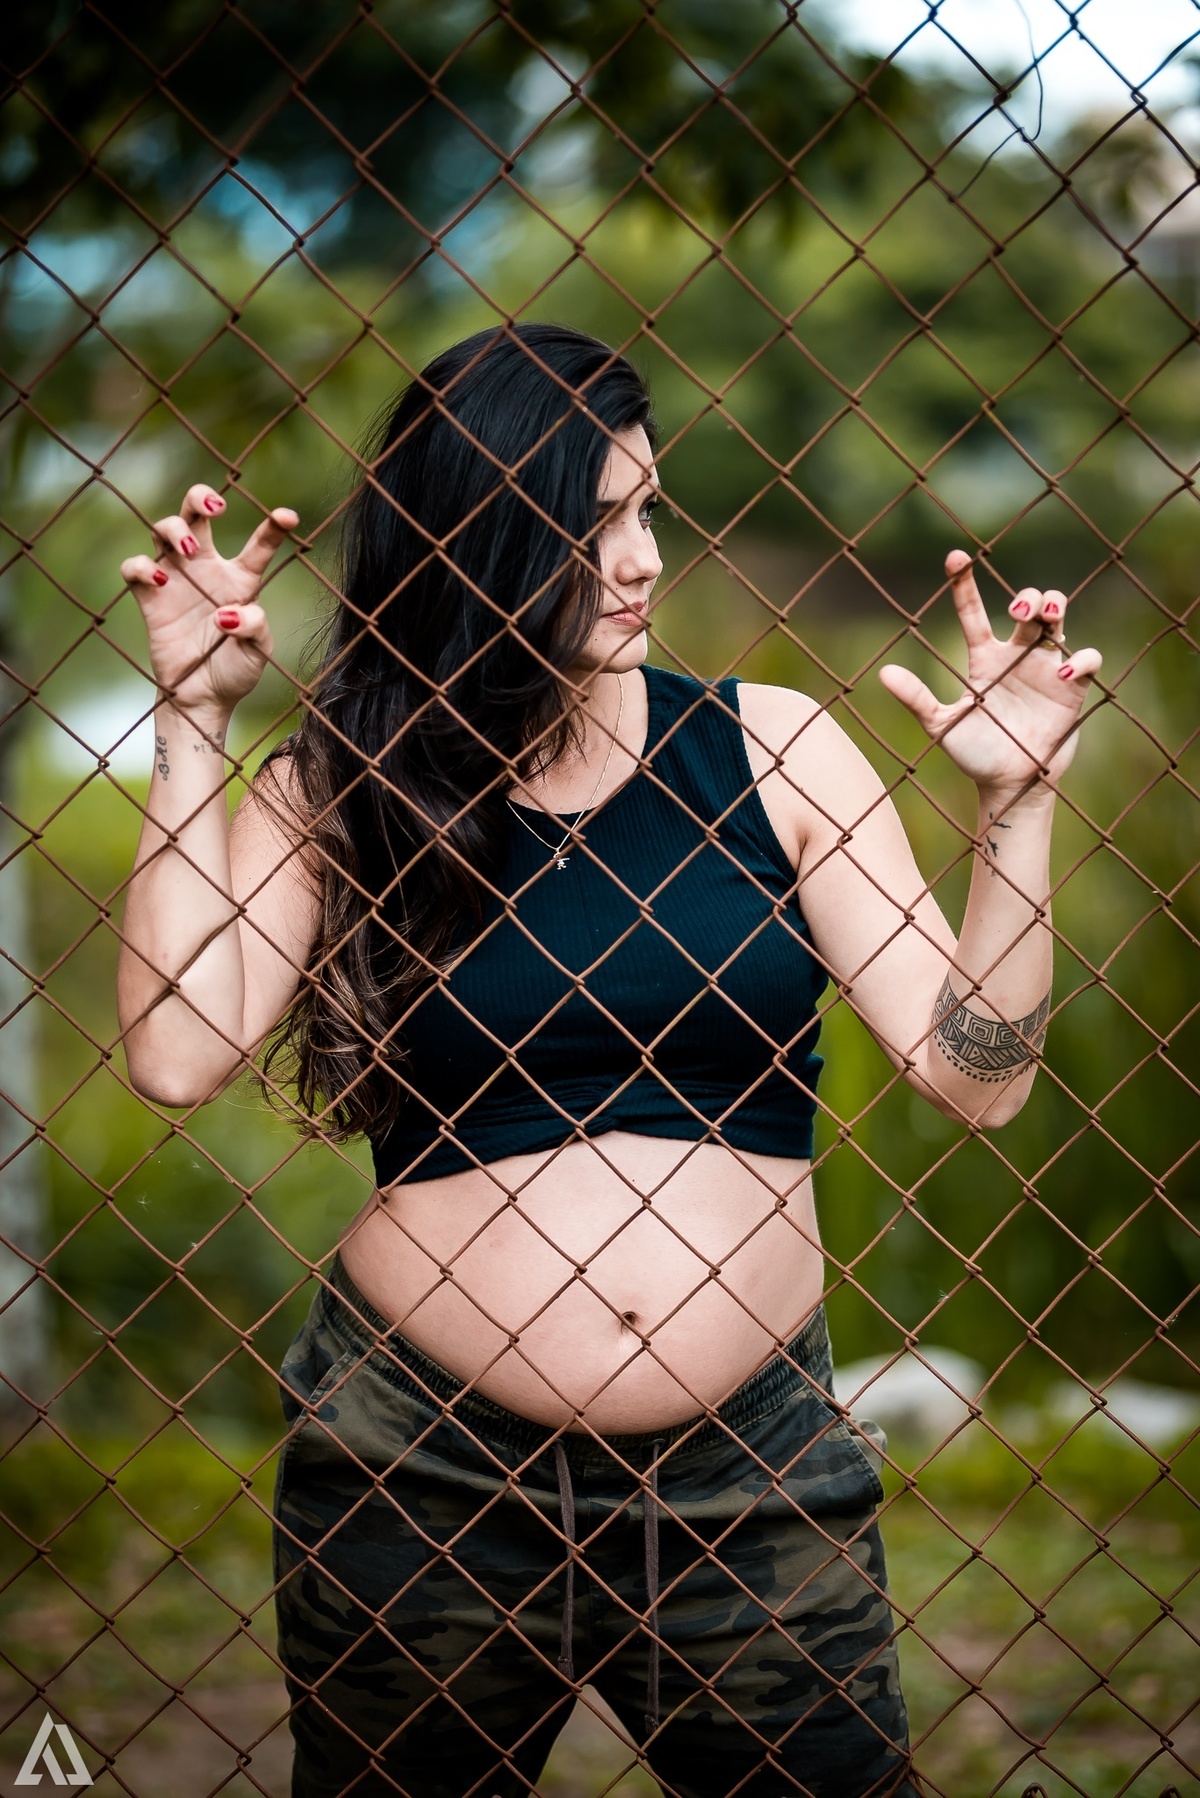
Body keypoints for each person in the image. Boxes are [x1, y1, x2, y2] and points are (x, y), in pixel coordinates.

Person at [116, 323, 1101, 1798]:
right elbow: (180, 1052)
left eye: (646, 509)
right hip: (422, 1463)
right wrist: (195, 719)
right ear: (477, 542)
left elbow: (980, 1074)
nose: (641, 559)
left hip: (750, 1468)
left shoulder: (772, 753)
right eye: (591, 528)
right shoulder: (351, 779)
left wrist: (1017, 813)